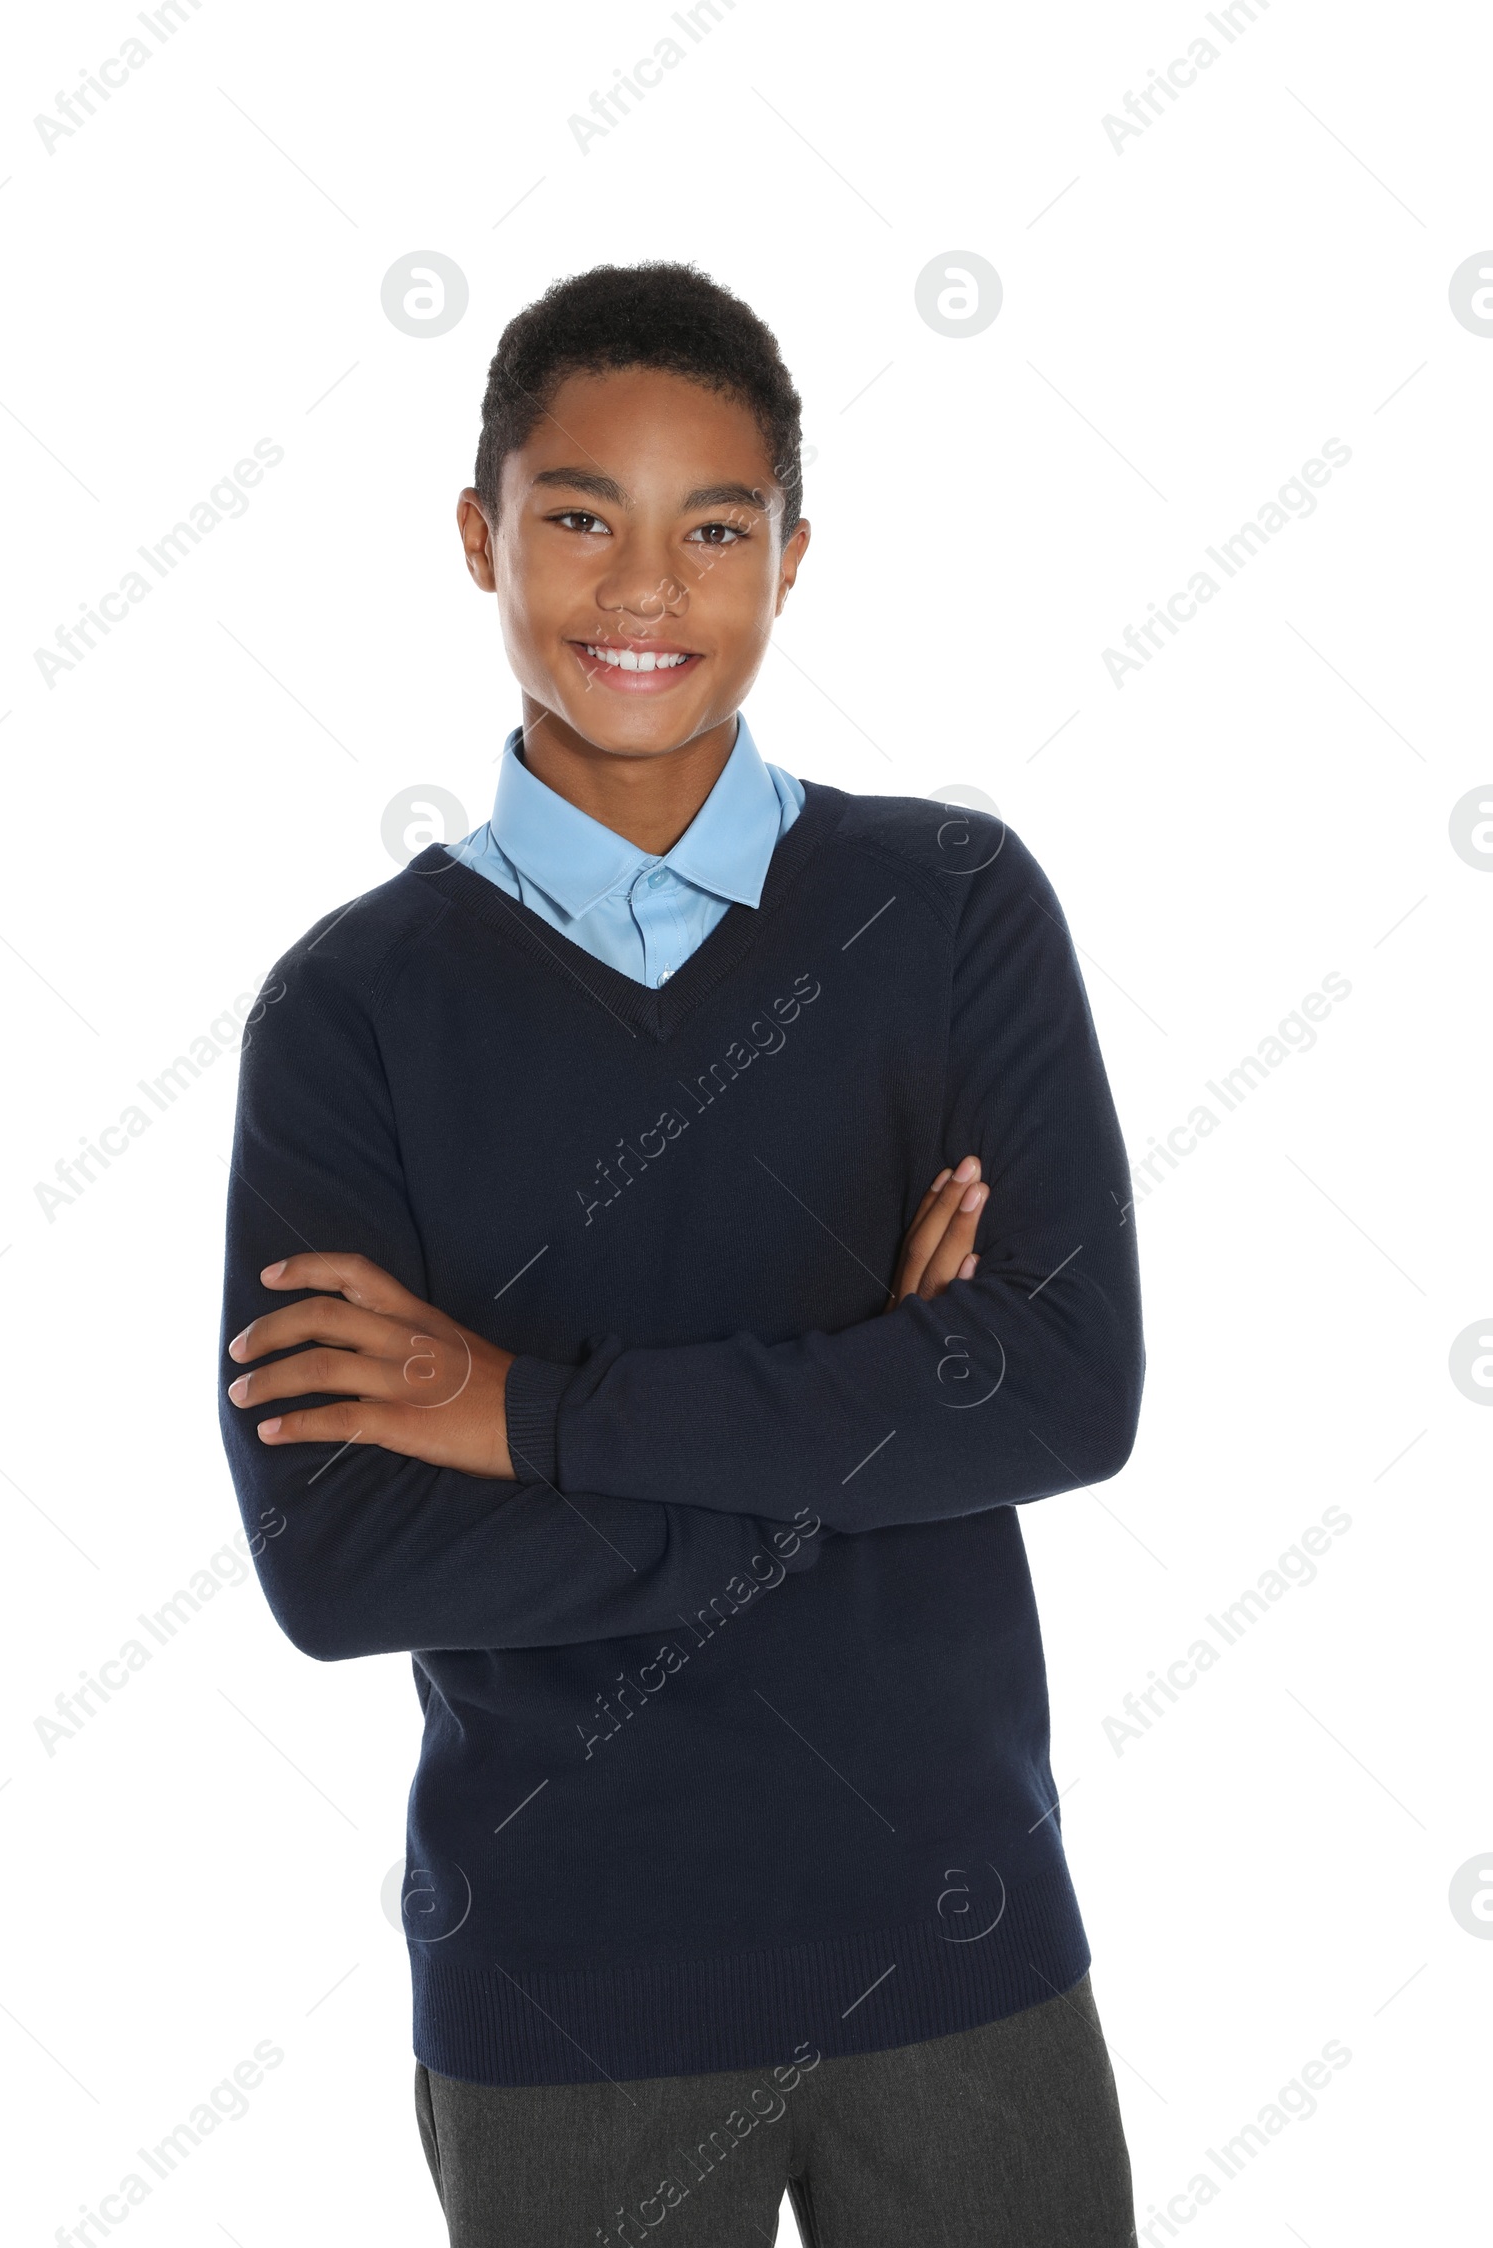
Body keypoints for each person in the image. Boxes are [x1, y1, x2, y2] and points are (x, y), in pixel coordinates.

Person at [218, 261, 1145, 2246]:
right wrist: (863, 1432)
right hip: (566, 1990)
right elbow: (338, 1557)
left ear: (791, 559)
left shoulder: (949, 907)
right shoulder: (351, 1010)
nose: (642, 593)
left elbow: (1061, 1395)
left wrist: (522, 1414)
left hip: (957, 1937)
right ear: (479, 534)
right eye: (577, 519)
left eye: (711, 529)